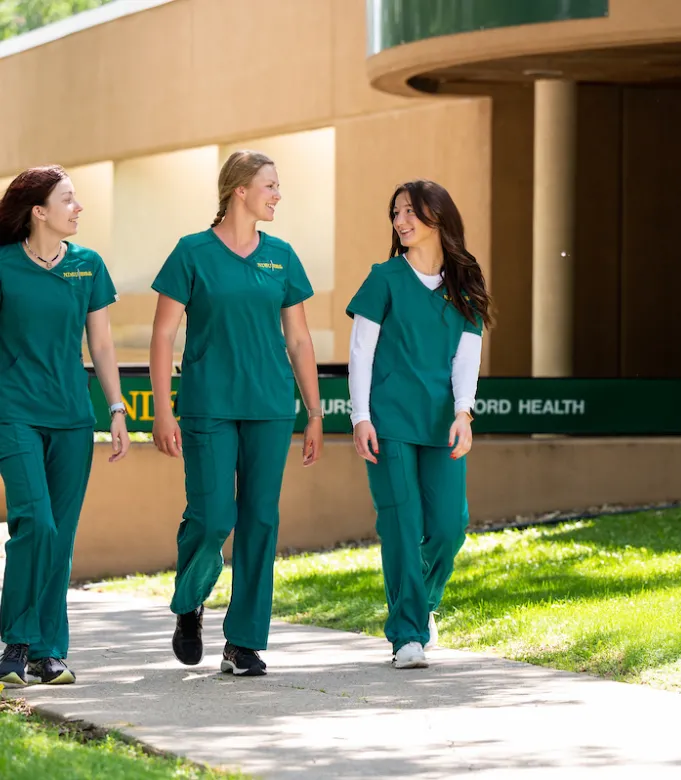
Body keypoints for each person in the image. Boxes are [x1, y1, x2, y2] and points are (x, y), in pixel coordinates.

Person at [150, 150, 323, 677]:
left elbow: (299, 339)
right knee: (212, 518)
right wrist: (162, 411)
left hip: (270, 406)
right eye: (270, 185)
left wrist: (315, 412)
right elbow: (163, 335)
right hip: (209, 405)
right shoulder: (192, 252)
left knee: (260, 520)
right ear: (239, 190)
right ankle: (190, 600)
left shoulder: (282, 256)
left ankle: (243, 642)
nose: (277, 194)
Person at [347, 179, 493, 669]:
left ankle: (420, 603)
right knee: (402, 524)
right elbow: (361, 352)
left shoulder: (465, 282)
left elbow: (467, 357)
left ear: (438, 217)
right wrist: (361, 416)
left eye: (410, 211)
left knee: (450, 527)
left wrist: (464, 412)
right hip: (388, 422)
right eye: (396, 213)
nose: (401, 221)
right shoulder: (384, 278)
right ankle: (407, 635)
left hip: (440, 422)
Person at [0, 165, 130, 687]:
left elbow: (101, 344)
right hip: (14, 411)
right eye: (68, 199)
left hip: (73, 417)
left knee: (61, 535)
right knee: (36, 522)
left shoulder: (88, 265)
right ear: (39, 211)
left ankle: (48, 651)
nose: (78, 208)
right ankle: (15, 642)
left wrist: (116, 409)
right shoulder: (3, 265)